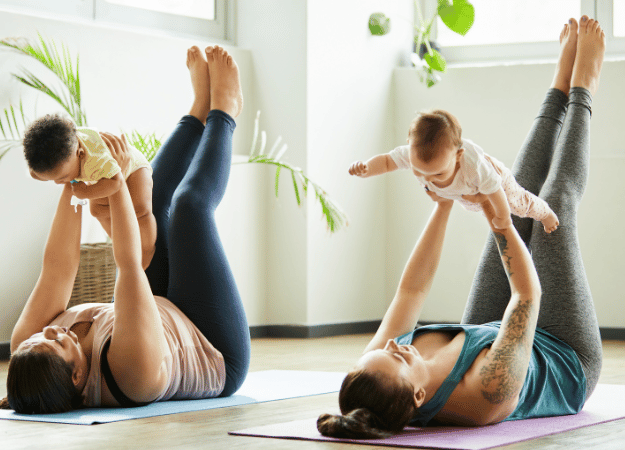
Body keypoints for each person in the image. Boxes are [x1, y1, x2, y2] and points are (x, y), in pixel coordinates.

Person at [320, 16, 604, 438]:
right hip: (562, 354)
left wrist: (444, 202)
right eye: (398, 356)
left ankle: (557, 86)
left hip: (486, 330)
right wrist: (503, 224)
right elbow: (527, 293)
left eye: (384, 350)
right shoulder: (486, 395)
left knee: (512, 187)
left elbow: (411, 291)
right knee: (556, 204)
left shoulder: (379, 370)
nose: (395, 345)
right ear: (419, 398)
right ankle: (583, 89)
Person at [0, 45, 250, 413]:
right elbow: (129, 264)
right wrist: (113, 179)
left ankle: (198, 109)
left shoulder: (29, 345)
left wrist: (76, 175)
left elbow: (59, 267)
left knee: (154, 199)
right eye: (54, 343)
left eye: (39, 338)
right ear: (76, 377)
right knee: (188, 209)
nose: (48, 331)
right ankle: (225, 111)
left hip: (160, 307)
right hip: (209, 340)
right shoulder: (130, 373)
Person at [348, 101, 558, 234]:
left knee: (517, 204)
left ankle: (544, 212)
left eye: (438, 173)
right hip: (464, 194)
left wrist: (503, 217)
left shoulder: (474, 165)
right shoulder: (413, 153)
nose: (428, 179)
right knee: (475, 206)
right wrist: (366, 168)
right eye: (418, 170)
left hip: (496, 183)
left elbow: (495, 191)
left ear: (458, 156)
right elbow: (386, 162)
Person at [24, 114, 157, 269]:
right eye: (53, 179)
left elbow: (116, 182)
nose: (59, 182)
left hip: (132, 168)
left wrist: (86, 191)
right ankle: (123, 243)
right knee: (97, 210)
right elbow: (35, 173)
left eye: (63, 177)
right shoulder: (63, 150)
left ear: (80, 154)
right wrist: (40, 175)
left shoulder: (95, 159)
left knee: (140, 209)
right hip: (103, 176)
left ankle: (148, 249)